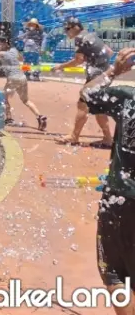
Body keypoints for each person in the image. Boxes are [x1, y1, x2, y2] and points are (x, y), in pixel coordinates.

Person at [80, 47, 135, 315]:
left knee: (116, 272)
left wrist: (113, 70)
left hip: (123, 200)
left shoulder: (129, 99)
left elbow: (88, 94)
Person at [54, 17, 114, 147]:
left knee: (83, 103)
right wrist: (98, 61)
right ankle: (108, 138)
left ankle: (74, 137)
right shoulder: (91, 35)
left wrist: (60, 66)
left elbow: (78, 61)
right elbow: (109, 52)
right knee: (98, 108)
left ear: (76, 27)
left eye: (67, 29)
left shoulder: (80, 38)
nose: (66, 32)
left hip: (97, 76)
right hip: (106, 74)